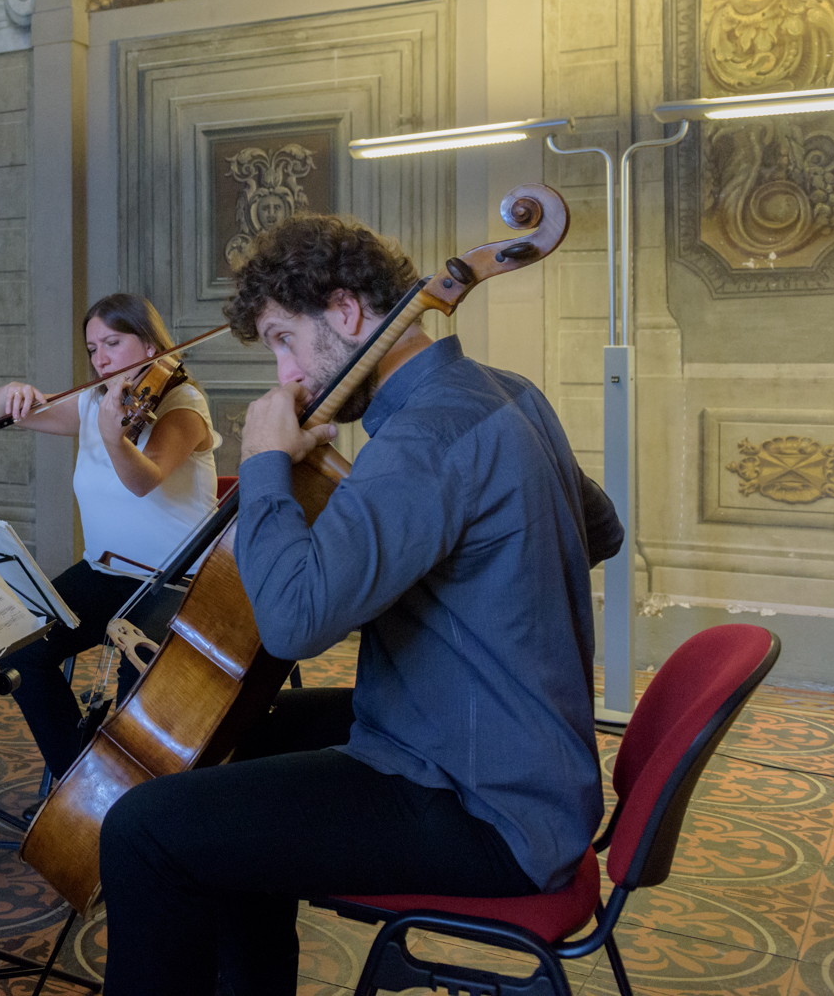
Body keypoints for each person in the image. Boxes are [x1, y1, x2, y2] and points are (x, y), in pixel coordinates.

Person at [96, 215, 624, 996]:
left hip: (486, 803)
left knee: (143, 830)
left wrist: (268, 460)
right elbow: (602, 528)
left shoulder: (424, 438)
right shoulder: (505, 393)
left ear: (345, 312)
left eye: (283, 340)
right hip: (508, 747)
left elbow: (295, 620)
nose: (286, 376)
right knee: (242, 739)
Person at [0, 293, 219, 783]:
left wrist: (115, 438)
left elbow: (144, 479)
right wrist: (10, 392)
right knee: (21, 653)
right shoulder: (97, 401)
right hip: (105, 571)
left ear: (151, 342)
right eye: (93, 348)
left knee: (138, 692)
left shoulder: (184, 405)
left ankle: (138, 799)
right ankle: (82, 781)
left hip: (173, 583)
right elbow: (11, 416)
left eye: (113, 342)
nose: (101, 358)